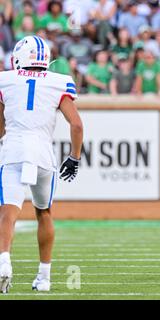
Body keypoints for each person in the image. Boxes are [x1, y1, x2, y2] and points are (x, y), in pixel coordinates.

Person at [0, 36, 83, 293]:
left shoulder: (5, 79)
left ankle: (3, 261)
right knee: (44, 212)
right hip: (43, 154)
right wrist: (75, 157)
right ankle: (44, 277)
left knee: (7, 212)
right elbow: (77, 125)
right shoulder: (60, 82)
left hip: (13, 149)